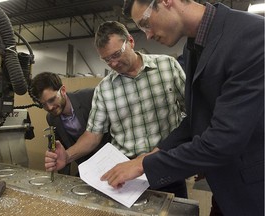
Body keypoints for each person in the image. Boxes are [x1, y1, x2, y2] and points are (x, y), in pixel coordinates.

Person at [101, 0, 264, 215]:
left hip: (254, 192)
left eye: (146, 23)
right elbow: (197, 119)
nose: (147, 35)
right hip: (225, 188)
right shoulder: (193, 47)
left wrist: (144, 166)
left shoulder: (251, 35)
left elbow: (224, 140)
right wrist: (153, 154)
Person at [44, 21, 188, 198]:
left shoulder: (168, 67)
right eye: (106, 60)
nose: (112, 63)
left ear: (131, 41)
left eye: (116, 54)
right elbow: (92, 135)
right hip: (126, 174)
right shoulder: (104, 89)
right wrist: (66, 156)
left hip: (166, 165)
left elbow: (192, 114)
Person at [30, 72, 111, 175]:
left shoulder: (91, 98)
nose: (49, 107)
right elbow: (62, 151)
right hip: (87, 168)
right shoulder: (52, 119)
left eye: (52, 100)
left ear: (63, 90)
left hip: (112, 161)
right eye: (43, 104)